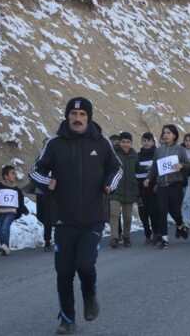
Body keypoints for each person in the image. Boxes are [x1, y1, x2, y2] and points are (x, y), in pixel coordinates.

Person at [29, 97, 122, 334]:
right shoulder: (54, 143)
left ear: (88, 118)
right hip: (63, 219)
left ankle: (89, 295)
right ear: (67, 116)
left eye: (82, 115)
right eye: (73, 114)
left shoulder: (101, 142)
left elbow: (117, 168)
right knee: (64, 272)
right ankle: (67, 319)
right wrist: (46, 181)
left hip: (93, 217)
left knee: (84, 264)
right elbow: (35, 171)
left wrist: (110, 183)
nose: (77, 118)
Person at [144, 124, 190, 249]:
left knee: (175, 211)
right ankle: (164, 239)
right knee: (162, 211)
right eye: (164, 132)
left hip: (175, 184)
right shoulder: (158, 150)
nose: (165, 135)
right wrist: (149, 178)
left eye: (168, 133)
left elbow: (188, 165)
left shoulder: (179, 149)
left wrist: (181, 165)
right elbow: (154, 167)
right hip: (161, 186)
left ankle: (180, 225)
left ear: (174, 135)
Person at [0, 165, 30, 256]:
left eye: (15, 173)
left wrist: (24, 210)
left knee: (5, 228)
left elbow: (20, 202)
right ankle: (3, 248)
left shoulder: (17, 190)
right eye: (12, 173)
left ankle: (5, 247)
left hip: (11, 212)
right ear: (6, 176)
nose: (15, 175)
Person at [108, 132, 139, 248]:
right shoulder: (113, 154)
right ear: (119, 143)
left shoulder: (135, 156)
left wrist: (148, 168)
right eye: (123, 142)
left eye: (128, 142)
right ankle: (114, 238)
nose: (125, 144)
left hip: (130, 190)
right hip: (115, 189)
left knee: (127, 217)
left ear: (131, 143)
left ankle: (126, 237)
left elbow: (138, 170)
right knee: (114, 214)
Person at [136, 132, 158, 245]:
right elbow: (134, 170)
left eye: (149, 140)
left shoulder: (157, 154)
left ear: (153, 142)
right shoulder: (137, 156)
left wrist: (157, 184)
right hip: (140, 190)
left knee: (154, 212)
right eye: (144, 140)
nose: (146, 143)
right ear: (141, 142)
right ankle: (147, 234)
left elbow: (159, 171)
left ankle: (155, 233)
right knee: (143, 214)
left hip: (153, 188)